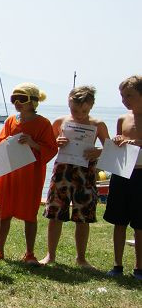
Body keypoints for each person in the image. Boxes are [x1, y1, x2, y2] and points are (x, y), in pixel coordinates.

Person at [40, 86, 109, 268]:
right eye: (74, 110)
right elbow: (48, 146)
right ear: (68, 103)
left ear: (92, 106)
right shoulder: (60, 121)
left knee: (83, 217)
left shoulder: (98, 125)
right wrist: (56, 143)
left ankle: (81, 258)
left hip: (86, 175)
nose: (78, 115)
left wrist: (98, 151)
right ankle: (50, 255)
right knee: (55, 215)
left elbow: (110, 150)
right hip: (62, 173)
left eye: (83, 111)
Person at [0, 83, 58, 265]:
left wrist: (33, 143)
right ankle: (0, 250)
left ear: (34, 102)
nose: (17, 102)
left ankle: (29, 253)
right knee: (3, 213)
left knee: (29, 214)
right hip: (8, 173)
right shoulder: (10, 120)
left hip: (30, 175)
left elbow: (51, 148)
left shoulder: (43, 123)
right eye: (14, 99)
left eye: (22, 99)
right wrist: (7, 141)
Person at [104, 75, 142, 279]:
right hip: (122, 172)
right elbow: (118, 141)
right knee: (119, 221)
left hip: (141, 175)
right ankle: (117, 265)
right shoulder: (122, 119)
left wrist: (136, 142)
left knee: (140, 224)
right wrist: (118, 140)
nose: (125, 100)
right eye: (122, 95)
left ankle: (139, 267)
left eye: (129, 95)